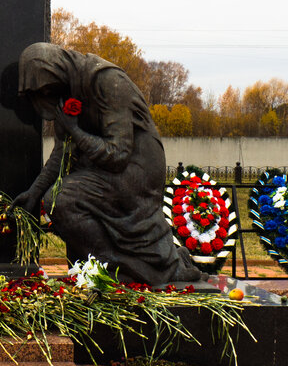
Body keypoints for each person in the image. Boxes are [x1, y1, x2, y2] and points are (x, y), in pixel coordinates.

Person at [13, 43, 200, 286]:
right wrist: (34, 193)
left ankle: (115, 268)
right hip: (102, 167)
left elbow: (117, 154)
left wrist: (75, 130)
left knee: (62, 199)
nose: (50, 99)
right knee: (57, 197)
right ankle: (97, 268)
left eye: (49, 90)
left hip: (135, 170)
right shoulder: (67, 91)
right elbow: (62, 152)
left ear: (58, 72)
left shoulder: (108, 81)